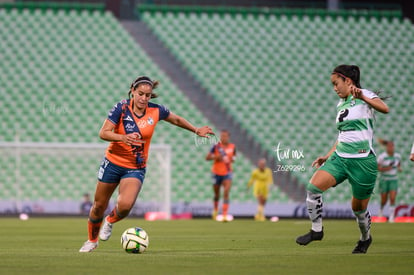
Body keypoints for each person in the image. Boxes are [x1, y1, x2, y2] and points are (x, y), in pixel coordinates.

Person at [79, 76, 214, 252]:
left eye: (148, 95)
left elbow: (176, 120)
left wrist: (196, 129)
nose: (143, 98)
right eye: (140, 94)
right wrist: (122, 137)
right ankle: (91, 240)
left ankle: (110, 220)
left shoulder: (156, 111)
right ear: (133, 92)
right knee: (98, 206)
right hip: (112, 162)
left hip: (135, 167)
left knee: (125, 206)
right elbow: (103, 133)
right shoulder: (121, 107)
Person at [296, 65, 389, 254]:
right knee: (313, 188)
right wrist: (327, 155)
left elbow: (385, 108)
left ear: (348, 80)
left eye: (336, 83)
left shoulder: (365, 95)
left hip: (363, 161)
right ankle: (316, 231)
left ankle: (365, 238)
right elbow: (343, 134)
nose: (334, 88)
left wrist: (363, 95)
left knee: (358, 209)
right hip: (340, 157)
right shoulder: (341, 104)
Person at [206, 130, 236, 221]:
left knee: (226, 192)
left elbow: (234, 158)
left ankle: (224, 214)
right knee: (216, 194)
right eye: (222, 136)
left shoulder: (232, 147)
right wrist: (215, 157)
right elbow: (207, 157)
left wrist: (230, 160)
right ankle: (215, 210)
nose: (223, 138)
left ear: (228, 137)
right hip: (216, 172)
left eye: (225, 136)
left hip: (227, 172)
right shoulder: (216, 147)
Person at [377, 139, 402, 222]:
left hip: (393, 179)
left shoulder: (398, 156)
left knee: (392, 197)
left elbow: (398, 164)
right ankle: (381, 210)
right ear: (386, 147)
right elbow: (378, 168)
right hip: (384, 179)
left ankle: (392, 216)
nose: (390, 148)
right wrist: (387, 168)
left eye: (392, 146)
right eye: (389, 146)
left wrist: (399, 168)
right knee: (384, 199)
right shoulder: (382, 156)